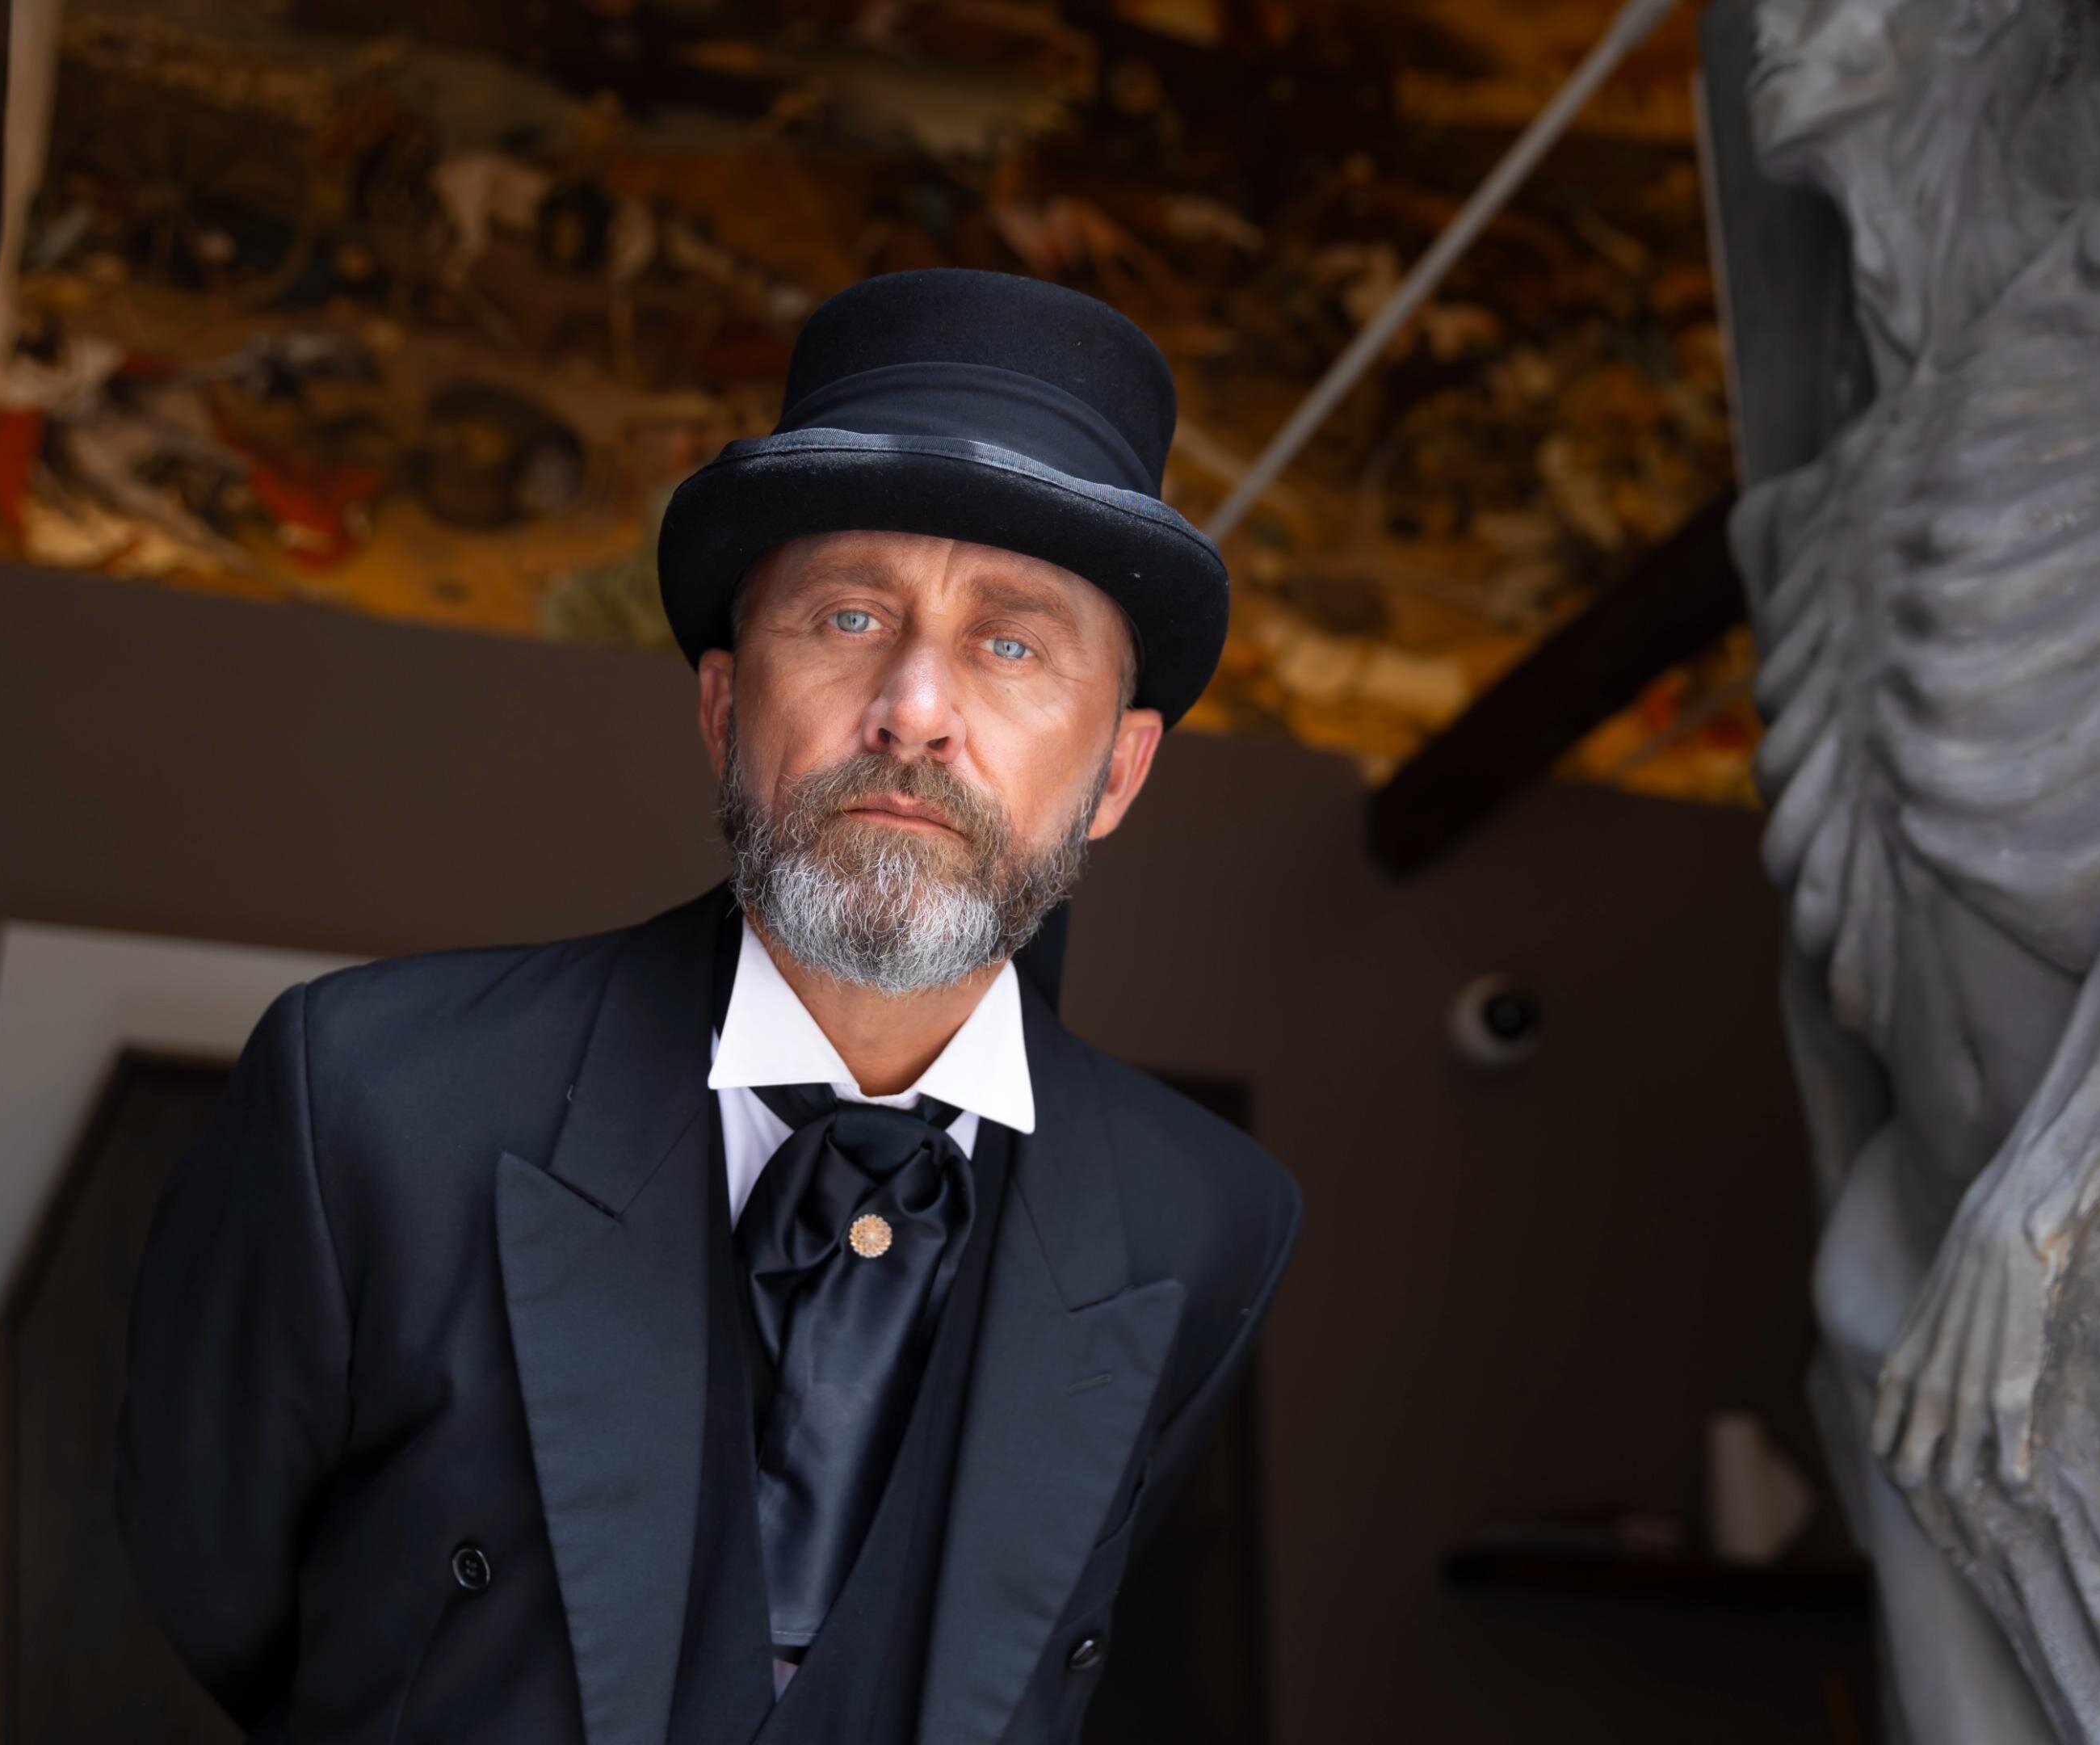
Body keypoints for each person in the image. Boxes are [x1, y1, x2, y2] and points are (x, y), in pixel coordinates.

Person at [117, 267, 1300, 1745]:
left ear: (1118, 773)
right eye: (850, 614)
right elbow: (222, 1591)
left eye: (1012, 642)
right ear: (725, 706)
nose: (916, 706)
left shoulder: (1208, 1222)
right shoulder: (366, 1095)